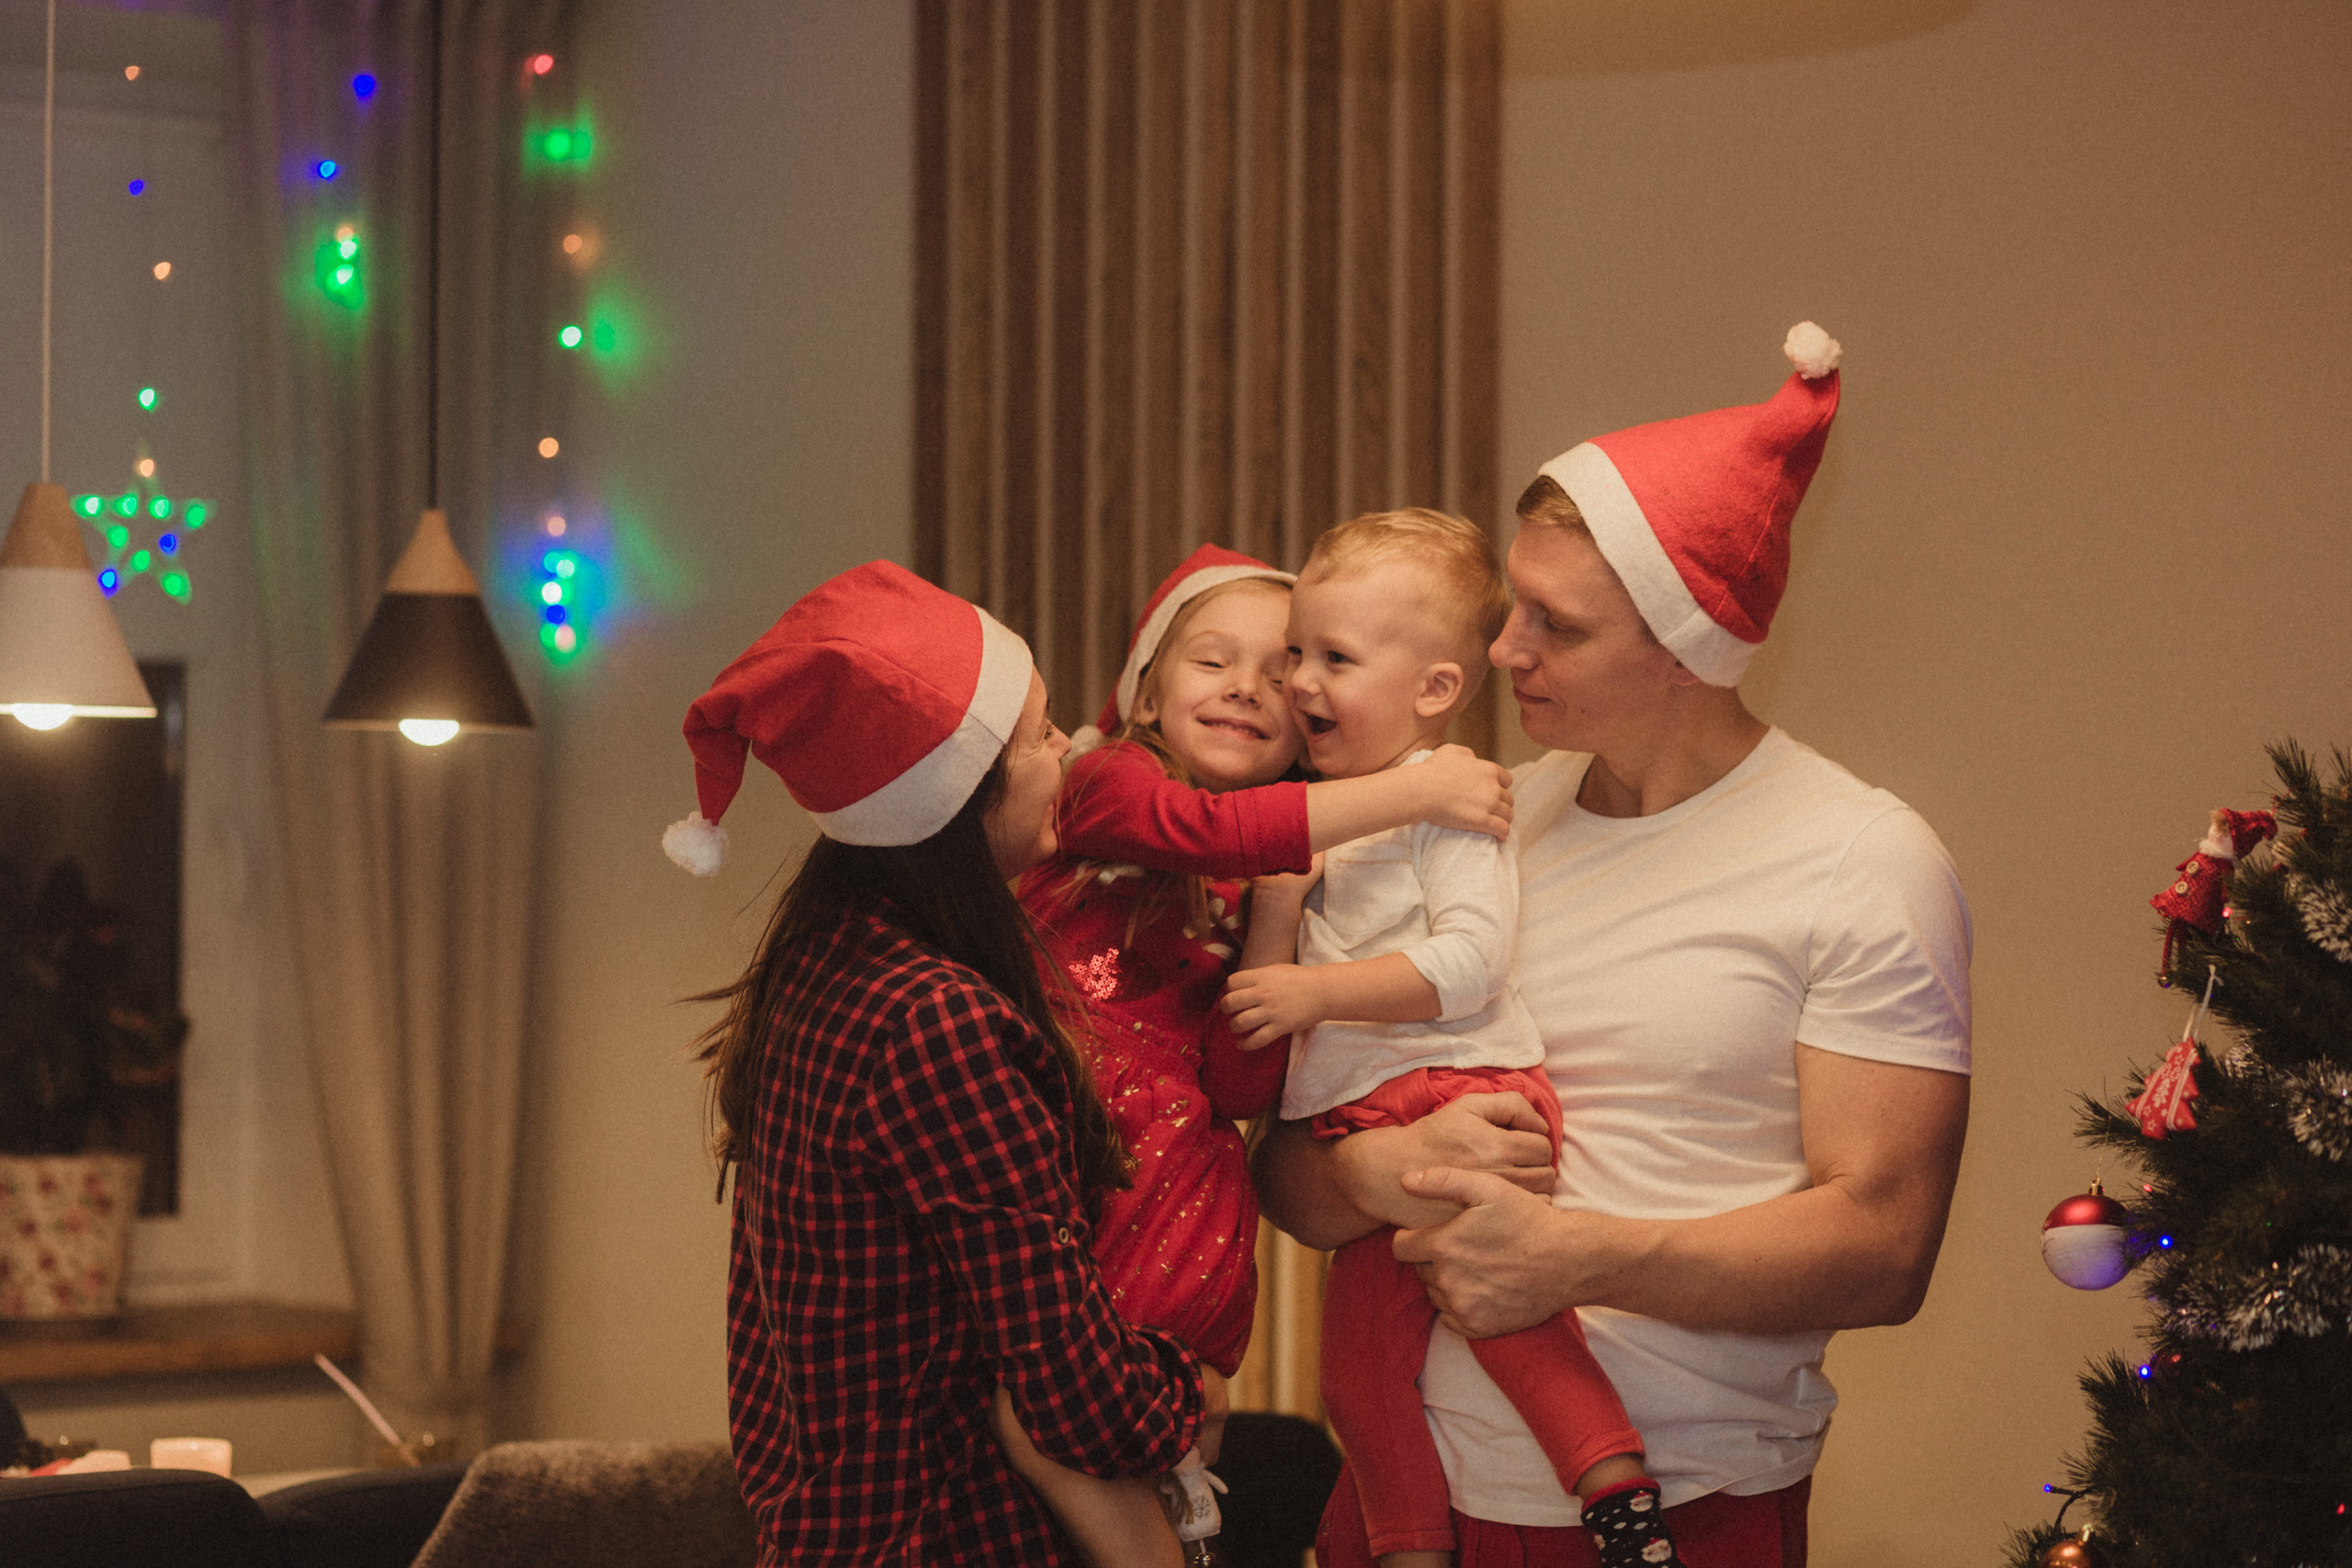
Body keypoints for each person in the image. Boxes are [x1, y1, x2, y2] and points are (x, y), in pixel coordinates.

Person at [1253, 325, 1973, 1568]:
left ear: (1689, 647)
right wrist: (1375, 1173)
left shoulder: (1860, 857)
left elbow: (1886, 1243)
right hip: (1404, 1509)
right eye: (1515, 603)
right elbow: (1284, 1168)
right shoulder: (1475, 813)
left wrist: (1580, 1257)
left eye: (1556, 623)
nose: (1500, 649)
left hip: (1678, 1511)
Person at [662, 560, 1224, 1567]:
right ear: (959, 793)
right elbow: (1074, 1399)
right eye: (1043, 733)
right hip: (950, 1537)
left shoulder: (822, 966)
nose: (1069, 752)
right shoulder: (940, 1022)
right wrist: (1187, 1388)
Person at [1005, 543, 1517, 1568]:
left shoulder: (1257, 880)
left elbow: (1243, 1085)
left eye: (1280, 669)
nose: (1247, 686)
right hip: (1054, 1226)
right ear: (1145, 691)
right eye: (1209, 661)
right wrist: (1417, 793)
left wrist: (1279, 903)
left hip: (1172, 1256)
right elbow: (1189, 825)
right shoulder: (1097, 784)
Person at [1219, 511, 1681, 1568]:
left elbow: (1469, 966)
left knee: (1501, 1314)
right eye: (1297, 651)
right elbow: (1267, 1031)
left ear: (1432, 690)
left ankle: (1613, 1491)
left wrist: (1311, 992)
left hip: (1455, 1088)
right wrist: (1280, 912)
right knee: (1360, 1374)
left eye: (1332, 657)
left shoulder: (1454, 800)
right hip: (1366, 1120)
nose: (1297, 680)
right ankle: (1415, 1546)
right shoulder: (1312, 809)